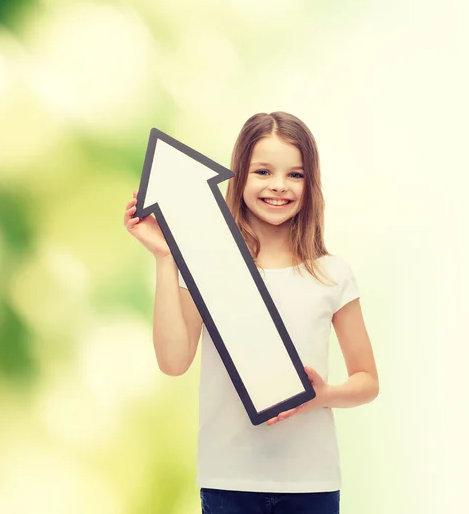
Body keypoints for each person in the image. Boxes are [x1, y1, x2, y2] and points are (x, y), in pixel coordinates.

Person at [123, 112, 379, 514]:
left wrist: (321, 395)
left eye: (295, 175)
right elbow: (174, 362)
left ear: (311, 185)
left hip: (311, 482)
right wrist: (167, 257)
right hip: (229, 480)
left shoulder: (332, 273)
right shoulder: (208, 266)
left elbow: (367, 381)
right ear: (240, 176)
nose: (279, 186)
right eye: (263, 171)